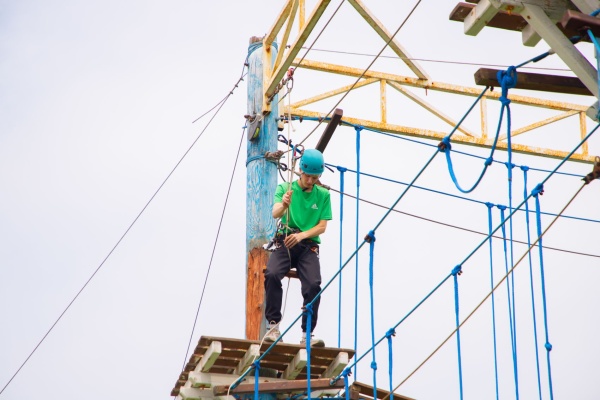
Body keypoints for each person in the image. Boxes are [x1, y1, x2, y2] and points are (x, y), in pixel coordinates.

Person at [263, 149, 332, 347]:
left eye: (315, 178)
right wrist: (284, 204)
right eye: (308, 176)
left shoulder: (323, 195)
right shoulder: (286, 188)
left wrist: (301, 235)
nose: (310, 181)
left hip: (308, 245)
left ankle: (307, 333)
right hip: (285, 241)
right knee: (272, 274)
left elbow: (322, 226)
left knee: (313, 285)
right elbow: (275, 213)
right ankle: (273, 327)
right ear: (300, 171)